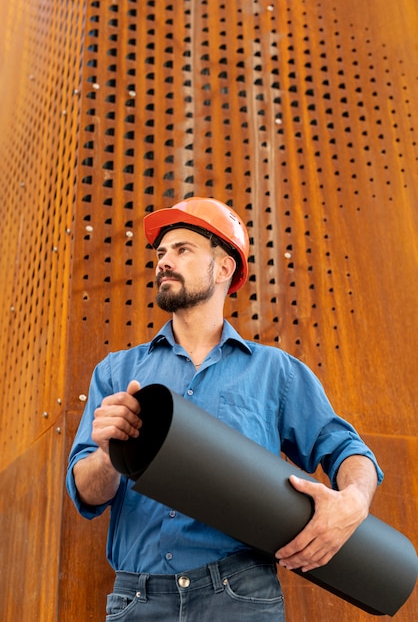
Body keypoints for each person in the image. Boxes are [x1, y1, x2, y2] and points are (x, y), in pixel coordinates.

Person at [66, 196, 383, 621]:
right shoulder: (118, 372)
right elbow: (86, 493)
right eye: (160, 253)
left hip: (239, 597)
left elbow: (347, 449)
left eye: (182, 250)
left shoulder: (276, 372)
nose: (163, 261)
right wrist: (108, 454)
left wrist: (353, 504)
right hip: (138, 601)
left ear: (223, 268)